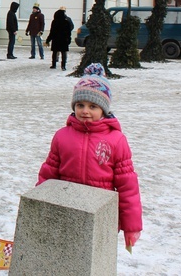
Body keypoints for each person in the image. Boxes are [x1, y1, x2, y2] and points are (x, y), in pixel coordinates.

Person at [37, 63, 142, 252]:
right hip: (66, 208)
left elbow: (128, 186)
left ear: (104, 109)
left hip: (100, 212)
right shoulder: (62, 136)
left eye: (93, 106)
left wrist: (131, 226)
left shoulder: (116, 140)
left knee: (94, 255)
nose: (85, 111)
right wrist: (40, 200)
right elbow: (48, 173)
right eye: (80, 105)